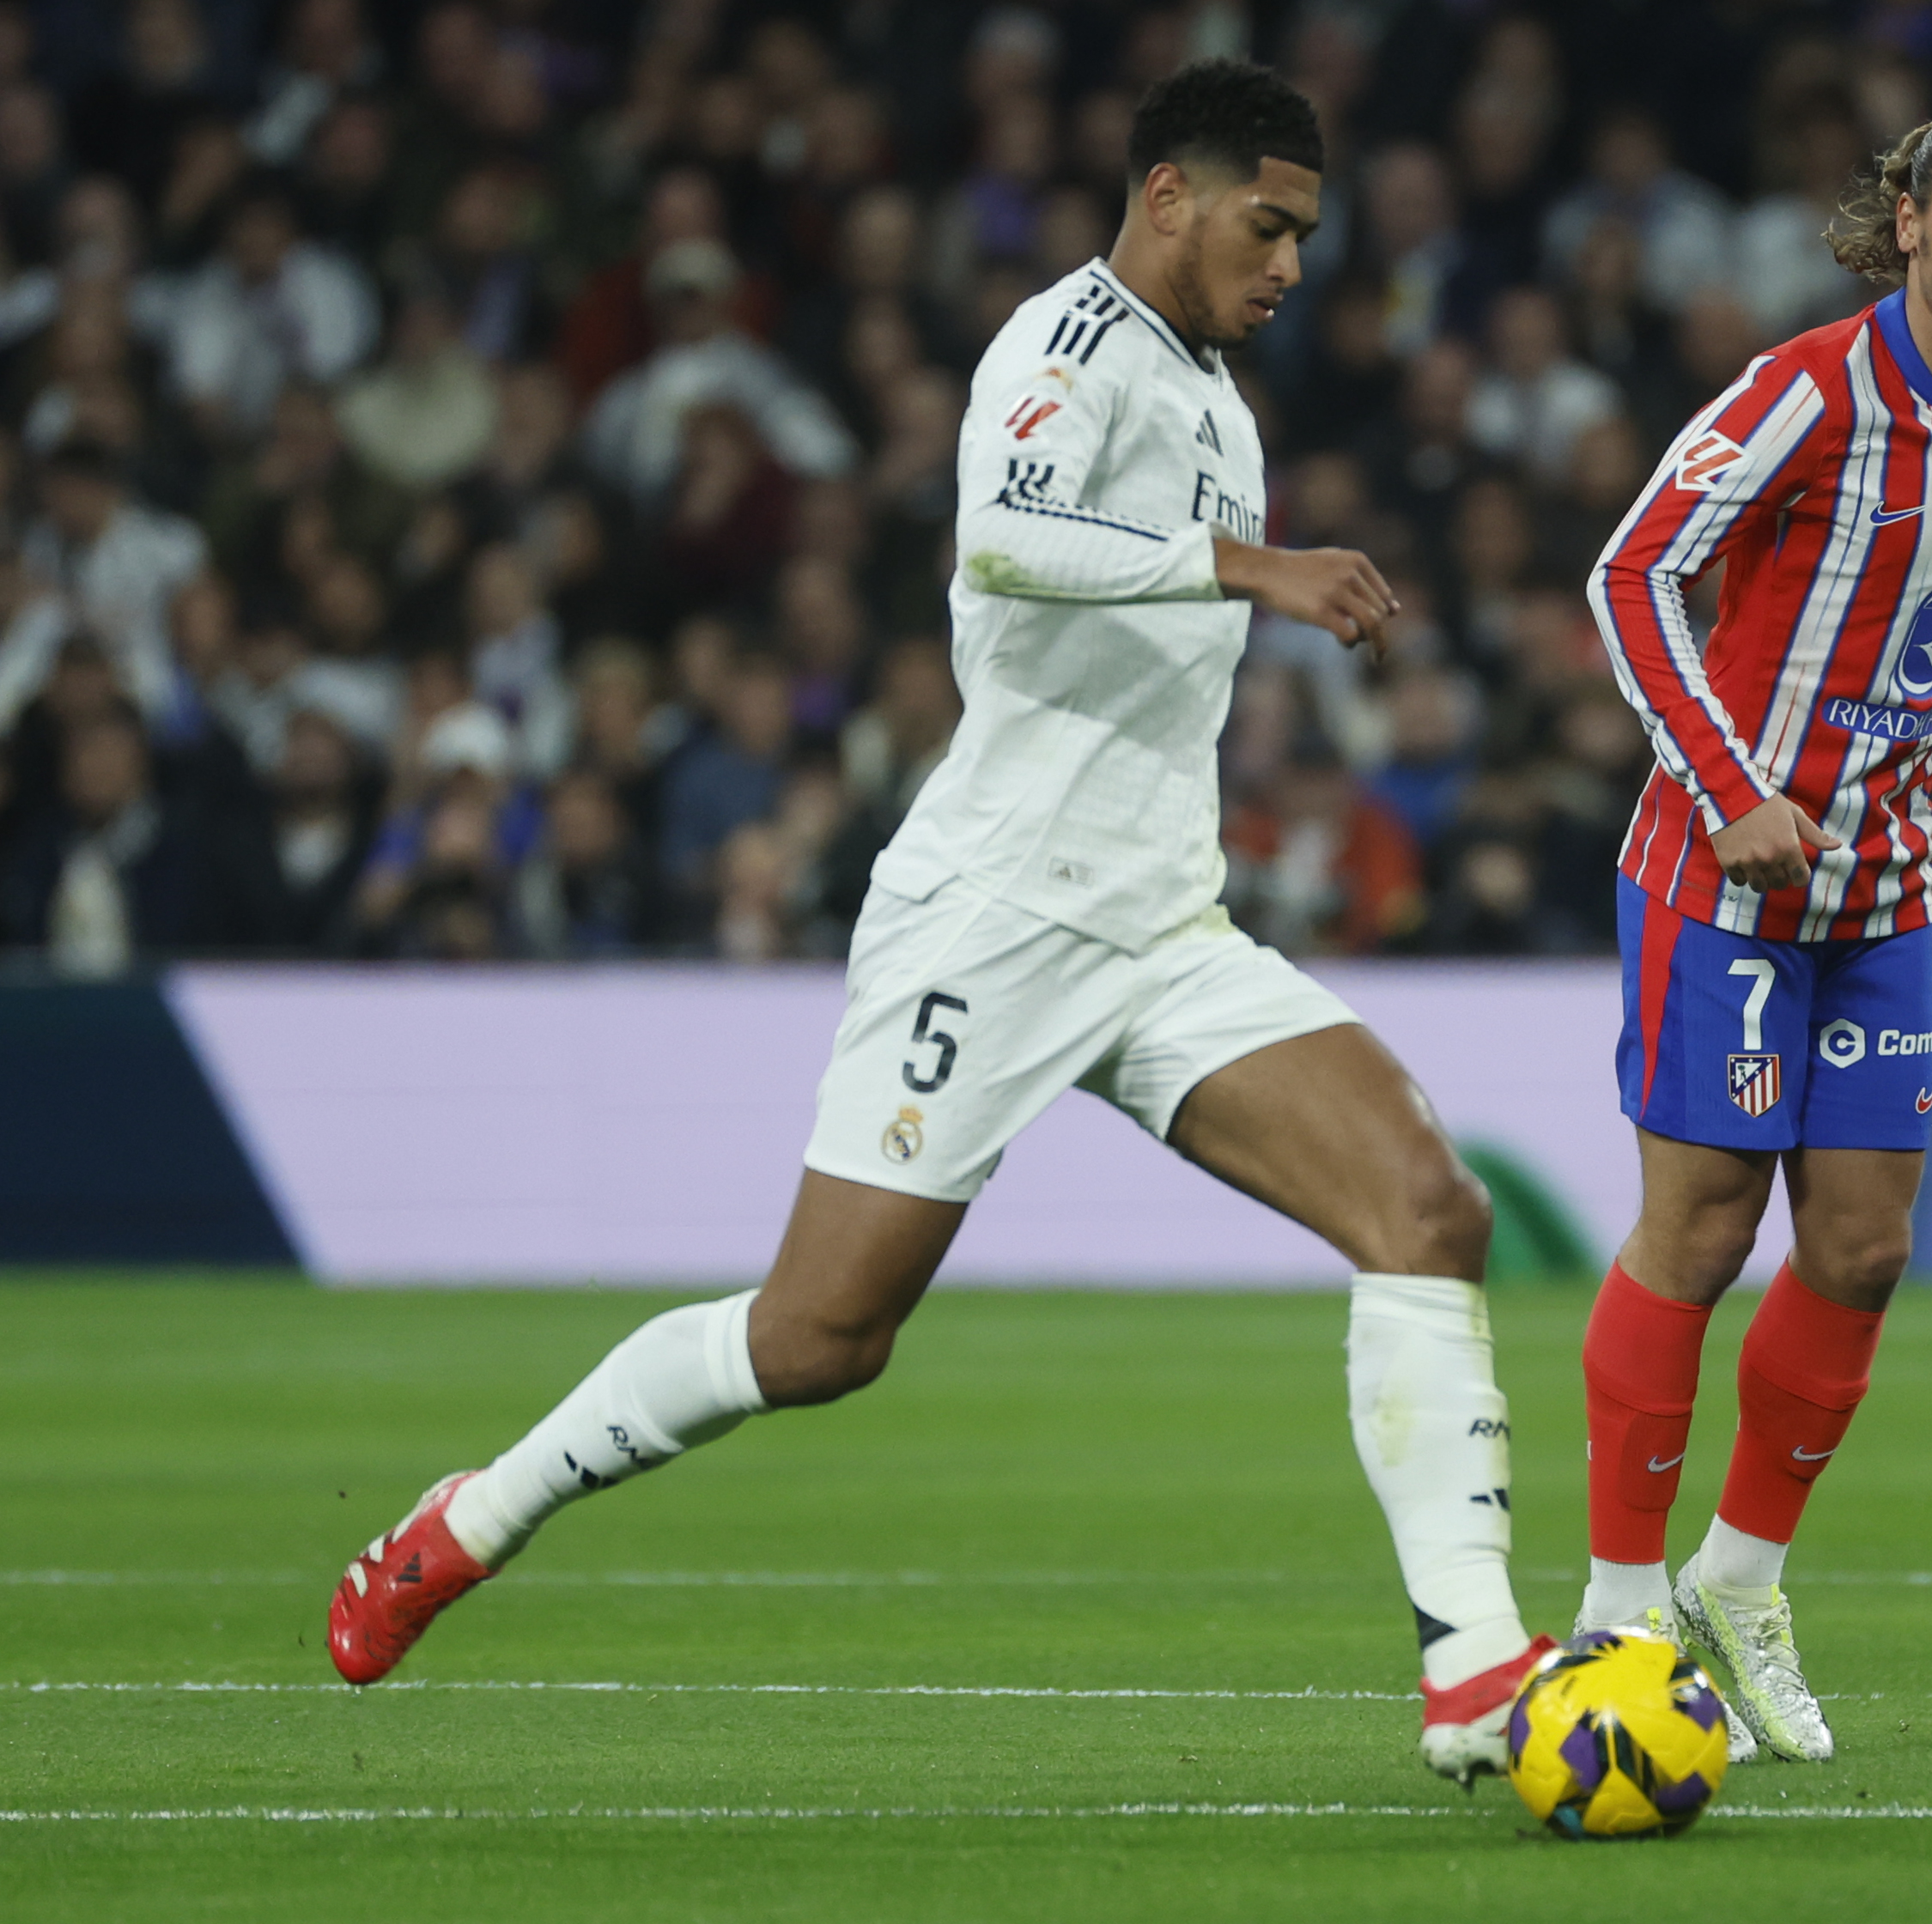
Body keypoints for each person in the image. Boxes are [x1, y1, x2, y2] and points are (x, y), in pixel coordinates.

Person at [325, 61, 1548, 1785]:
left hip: (1162, 924)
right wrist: (1251, 567)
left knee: (1429, 1206)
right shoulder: (1059, 347)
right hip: (991, 916)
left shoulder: (1217, 395)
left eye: (1306, 238)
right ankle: (470, 1514)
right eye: (1268, 227)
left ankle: (1478, 1671)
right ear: (1168, 195)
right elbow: (1005, 537)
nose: (1289, 267)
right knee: (819, 1338)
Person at [1577, 104, 1932, 1763]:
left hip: (1884, 882)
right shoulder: (1805, 389)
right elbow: (1630, 576)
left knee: (1863, 1248)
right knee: (1694, 1234)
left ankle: (1736, 1581)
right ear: (1908, 222)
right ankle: (1617, 1605)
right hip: (1724, 875)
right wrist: (1734, 785)